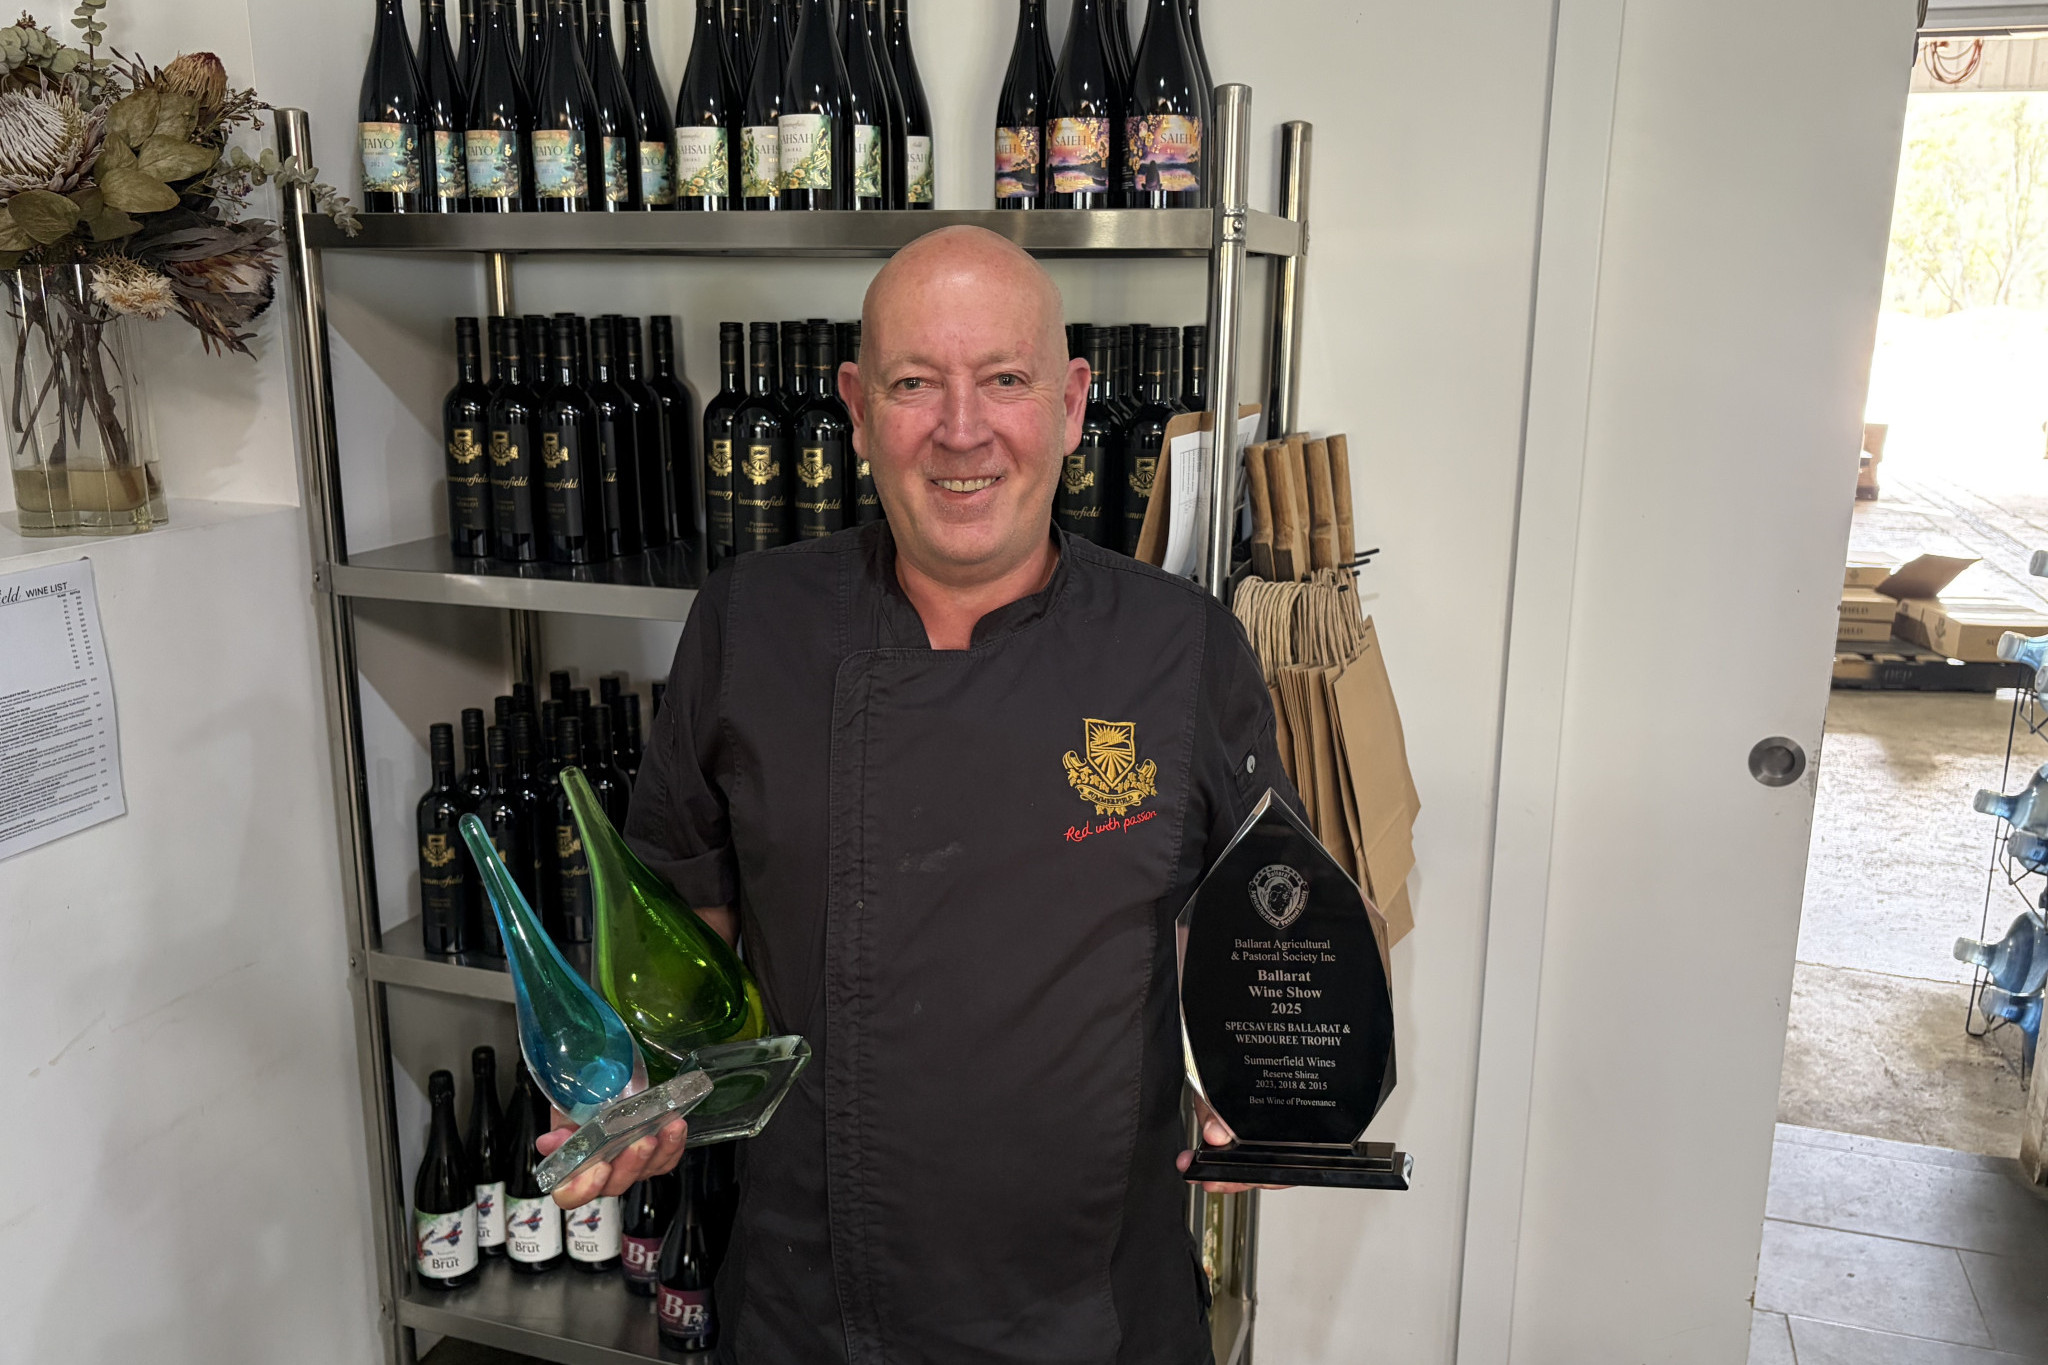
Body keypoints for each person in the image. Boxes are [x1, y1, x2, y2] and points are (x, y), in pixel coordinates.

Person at [538, 226, 1296, 1363]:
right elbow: (675, 928)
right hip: (813, 1312)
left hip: (1097, 1314)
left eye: (1005, 380)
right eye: (913, 384)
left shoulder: (1182, 647)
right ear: (855, 409)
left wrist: (1265, 1072)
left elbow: (1254, 931)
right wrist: (622, 1077)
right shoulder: (750, 623)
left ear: (1071, 404)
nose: (961, 429)